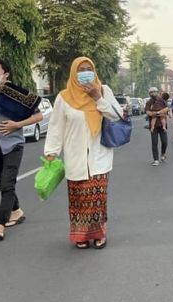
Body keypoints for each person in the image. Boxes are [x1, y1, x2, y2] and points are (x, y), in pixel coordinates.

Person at [44, 56, 124, 249]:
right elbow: (56, 127)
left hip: (99, 156)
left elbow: (117, 115)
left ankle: (99, 234)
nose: (85, 72)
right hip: (75, 156)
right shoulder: (64, 97)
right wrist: (51, 151)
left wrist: (98, 98)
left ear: (94, 71)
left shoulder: (104, 91)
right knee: (78, 199)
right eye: (81, 69)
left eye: (89, 68)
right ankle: (80, 236)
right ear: (74, 73)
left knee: (97, 198)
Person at [0, 59, 43, 240]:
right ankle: (16, 211)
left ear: (6, 74)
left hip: (13, 145)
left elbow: (39, 115)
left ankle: (0, 224)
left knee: (8, 184)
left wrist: (16, 124)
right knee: (4, 185)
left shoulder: (19, 94)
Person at [145, 87, 168, 166]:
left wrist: (159, 112)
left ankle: (163, 153)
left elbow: (167, 108)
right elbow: (148, 112)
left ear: (157, 92)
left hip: (162, 124)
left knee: (164, 141)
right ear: (149, 94)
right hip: (153, 125)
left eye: (154, 92)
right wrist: (154, 114)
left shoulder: (162, 100)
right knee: (154, 142)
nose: (153, 93)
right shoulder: (149, 102)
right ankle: (156, 160)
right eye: (151, 92)